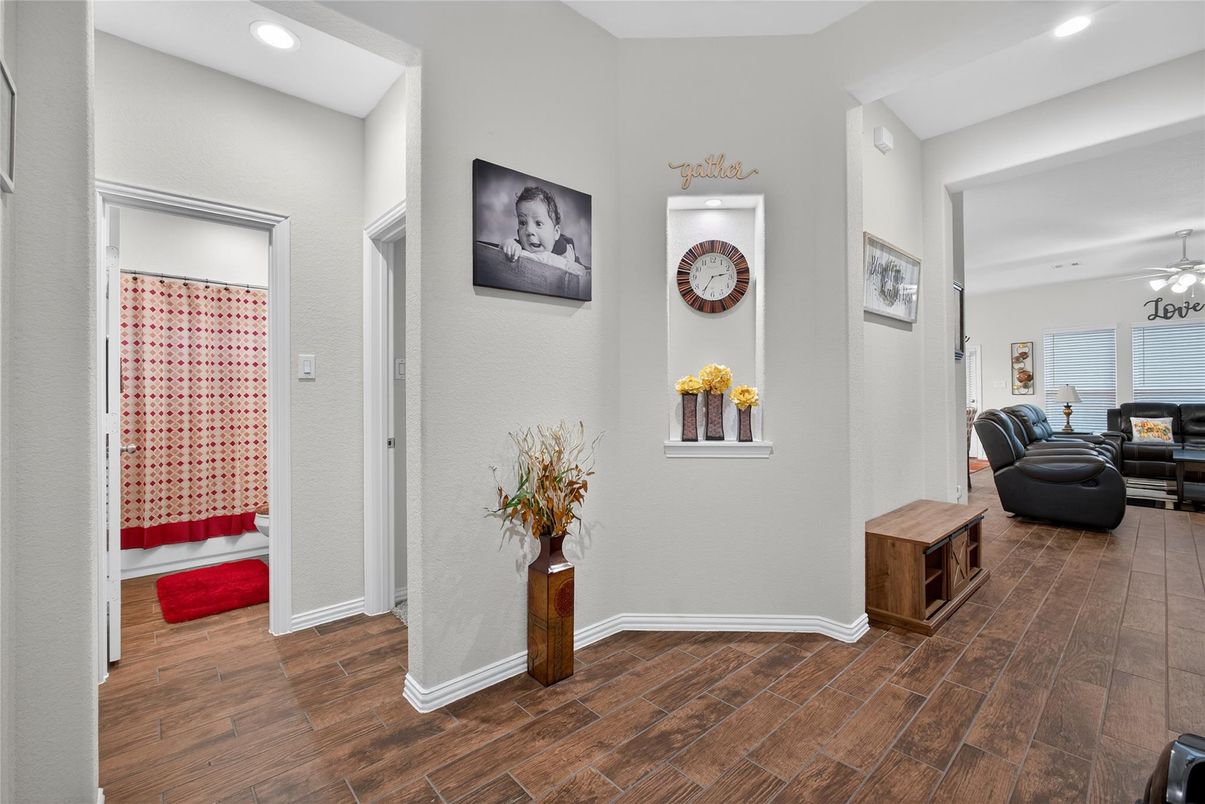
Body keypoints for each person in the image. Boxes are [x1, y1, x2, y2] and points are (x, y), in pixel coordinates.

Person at [501, 186, 583, 274]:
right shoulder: (520, 247)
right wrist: (508, 244)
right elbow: (507, 246)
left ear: (556, 232)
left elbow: (583, 270)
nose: (529, 231)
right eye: (523, 223)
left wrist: (577, 267)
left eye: (538, 224)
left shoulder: (565, 250)